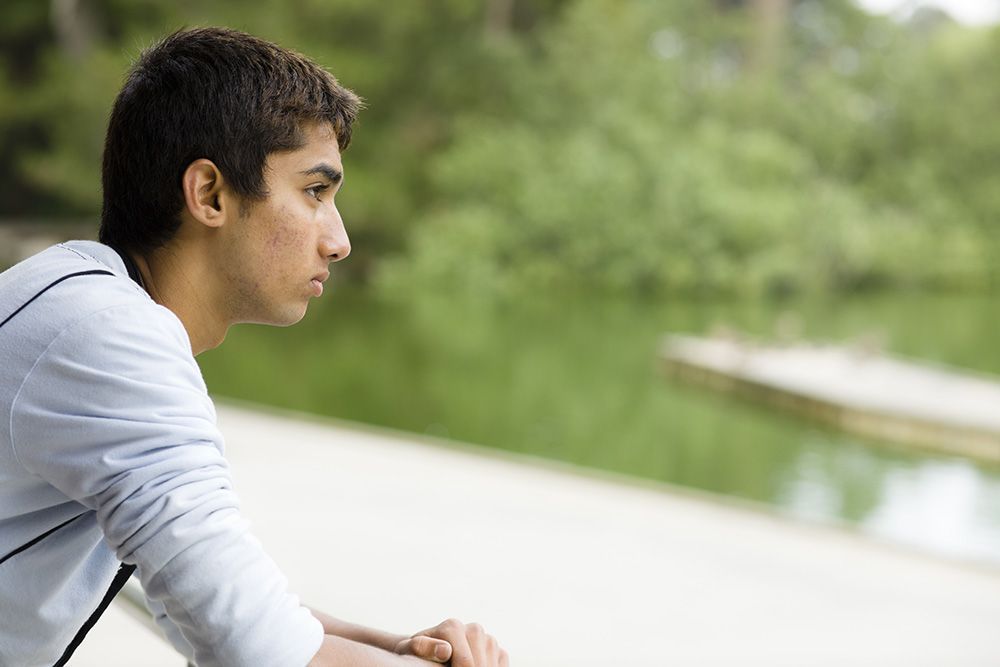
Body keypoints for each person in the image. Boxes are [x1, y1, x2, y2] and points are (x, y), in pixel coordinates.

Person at [0, 27, 507, 667]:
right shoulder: (108, 339)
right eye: (314, 192)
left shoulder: (76, 299)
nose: (339, 240)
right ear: (210, 193)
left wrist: (400, 648)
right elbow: (252, 647)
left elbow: (209, 598)